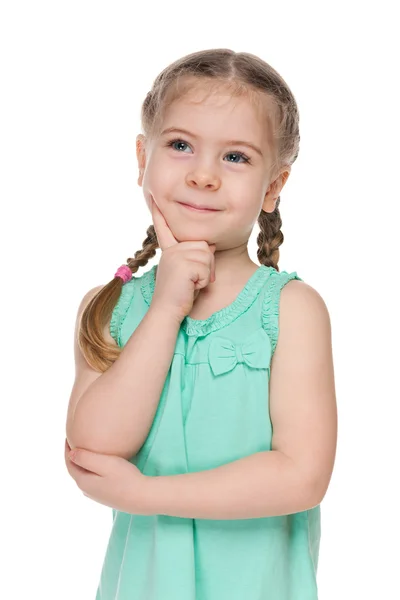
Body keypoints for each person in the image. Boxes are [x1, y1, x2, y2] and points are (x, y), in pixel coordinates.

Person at [65, 48, 337, 600]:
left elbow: (302, 475)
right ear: (143, 157)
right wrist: (166, 307)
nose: (204, 175)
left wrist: (146, 494)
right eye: (181, 145)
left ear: (273, 186)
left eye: (236, 157)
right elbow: (94, 446)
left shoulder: (291, 310)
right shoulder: (110, 307)